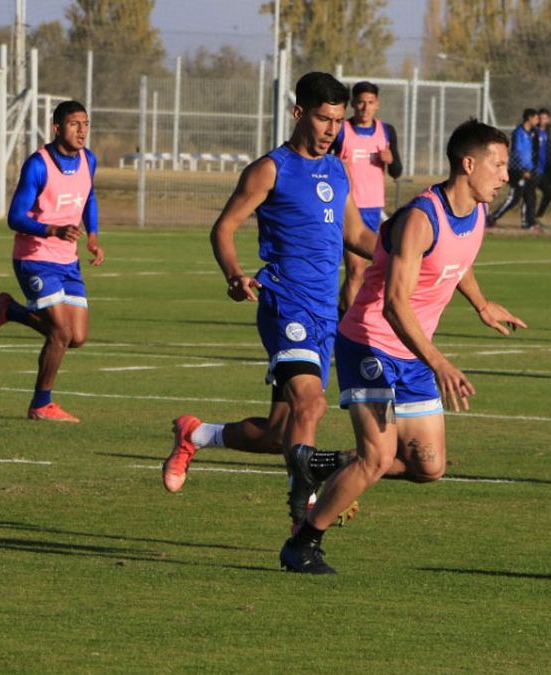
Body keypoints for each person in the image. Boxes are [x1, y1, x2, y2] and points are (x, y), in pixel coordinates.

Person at [280, 118, 527, 574]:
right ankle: (304, 542)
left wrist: (481, 305)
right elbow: (393, 305)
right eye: (498, 165)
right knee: (375, 459)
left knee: (428, 467)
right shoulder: (419, 218)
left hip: (411, 353)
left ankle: (319, 463)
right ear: (468, 164)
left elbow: (457, 260)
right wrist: (440, 363)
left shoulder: (474, 213)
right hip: (369, 346)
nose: (505, 175)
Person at [163, 72, 377, 529]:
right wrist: (234, 274)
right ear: (300, 113)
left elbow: (355, 234)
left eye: (338, 121)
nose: (330, 130)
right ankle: (306, 511)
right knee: (312, 404)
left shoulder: (337, 169)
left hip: (324, 315)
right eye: (323, 119)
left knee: (279, 433)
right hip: (285, 303)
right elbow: (223, 227)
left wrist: (402, 257)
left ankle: (196, 434)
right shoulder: (271, 169)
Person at [0, 100, 104, 423]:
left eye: (86, 124)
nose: (82, 131)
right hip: (34, 258)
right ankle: (41, 404)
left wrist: (93, 235)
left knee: (77, 338)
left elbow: (88, 196)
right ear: (57, 127)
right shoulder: (38, 164)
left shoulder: (89, 160)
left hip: (67, 260)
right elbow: (15, 217)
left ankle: (10, 310)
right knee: (60, 333)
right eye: (74, 124)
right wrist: (52, 229)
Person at [333, 80, 403, 315]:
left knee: (369, 270)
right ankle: (349, 324)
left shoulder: (386, 131)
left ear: (377, 105)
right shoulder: (342, 130)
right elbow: (324, 160)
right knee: (355, 269)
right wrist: (337, 165)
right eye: (361, 102)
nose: (365, 107)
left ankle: (345, 316)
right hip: (348, 207)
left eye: (370, 103)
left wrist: (390, 160)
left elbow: (397, 171)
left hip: (374, 208)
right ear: (353, 104)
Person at [487, 108, 539, 231]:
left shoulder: (530, 134)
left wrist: (531, 168)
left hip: (528, 169)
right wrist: (523, 169)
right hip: (518, 171)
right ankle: (492, 218)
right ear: (529, 118)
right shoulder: (519, 133)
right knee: (514, 198)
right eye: (535, 118)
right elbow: (518, 152)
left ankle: (527, 222)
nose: (537, 120)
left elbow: (530, 152)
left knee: (529, 196)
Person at [529, 107, 551, 228]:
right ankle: (530, 220)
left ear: (548, 119)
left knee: (549, 193)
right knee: (528, 195)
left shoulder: (548, 132)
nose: (542, 120)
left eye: (545, 118)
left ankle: (537, 217)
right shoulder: (533, 131)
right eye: (540, 118)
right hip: (534, 170)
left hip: (543, 171)